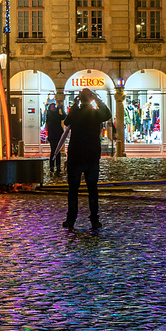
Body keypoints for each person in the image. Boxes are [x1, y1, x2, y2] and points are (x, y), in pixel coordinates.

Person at [64, 90, 109, 231]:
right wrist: (97, 100)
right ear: (91, 99)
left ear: (79, 99)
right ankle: (94, 220)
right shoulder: (96, 114)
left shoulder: (76, 112)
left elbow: (66, 121)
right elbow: (107, 114)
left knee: (73, 190)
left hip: (76, 154)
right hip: (91, 154)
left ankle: (71, 219)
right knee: (92, 189)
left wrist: (74, 105)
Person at [46, 98, 66, 176]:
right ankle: (52, 165)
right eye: (53, 106)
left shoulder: (56, 114)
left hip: (58, 134)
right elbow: (54, 118)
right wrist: (58, 109)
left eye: (55, 106)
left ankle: (57, 166)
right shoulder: (49, 114)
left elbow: (64, 116)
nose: (54, 107)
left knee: (58, 151)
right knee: (53, 150)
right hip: (52, 135)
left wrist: (61, 109)